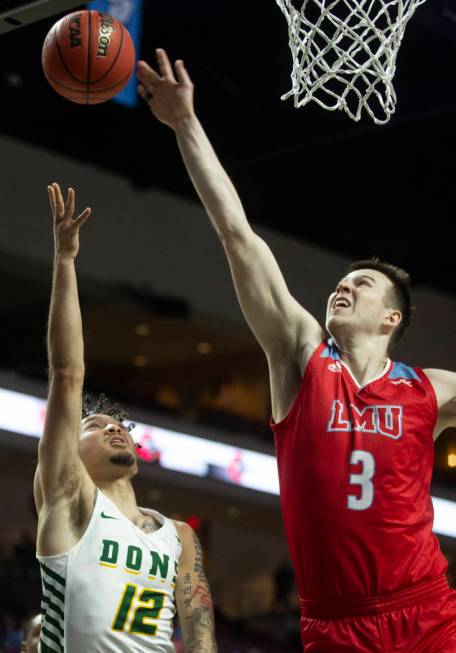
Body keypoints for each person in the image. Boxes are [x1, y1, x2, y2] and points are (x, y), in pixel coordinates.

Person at [136, 50, 456, 652]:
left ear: (392, 317)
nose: (344, 285)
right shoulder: (301, 357)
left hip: (427, 611)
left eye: (362, 284)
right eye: (342, 278)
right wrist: (186, 125)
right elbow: (237, 234)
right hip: (335, 622)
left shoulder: (431, 390)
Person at [34, 183, 217, 653]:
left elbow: (198, 631)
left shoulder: (178, 535)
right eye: (93, 427)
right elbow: (66, 373)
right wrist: (66, 261)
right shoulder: (70, 500)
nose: (113, 428)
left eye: (118, 426)